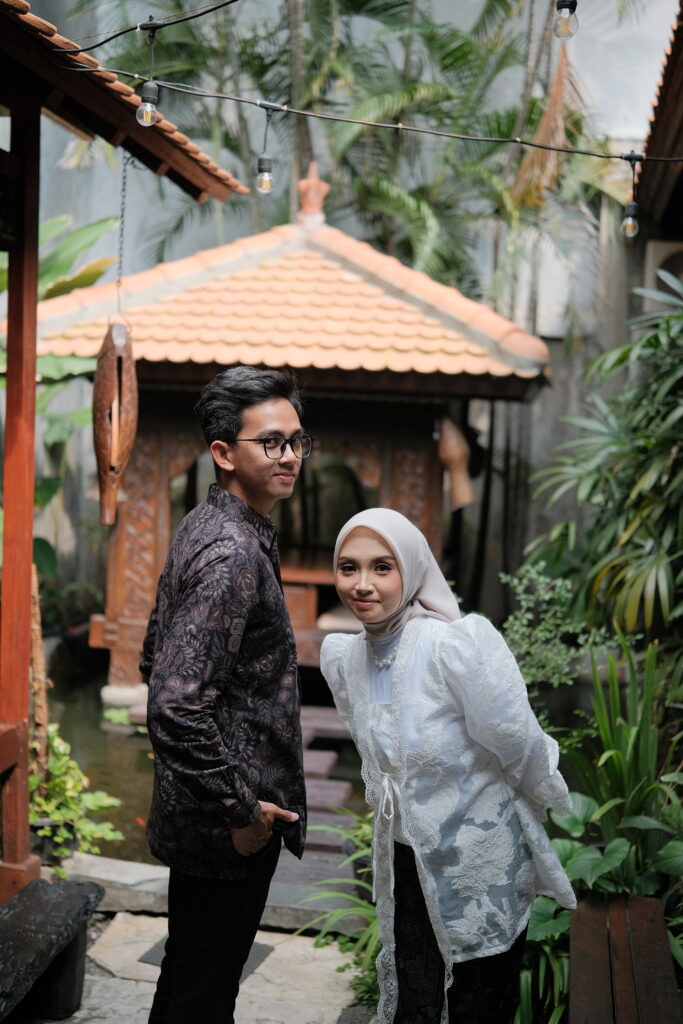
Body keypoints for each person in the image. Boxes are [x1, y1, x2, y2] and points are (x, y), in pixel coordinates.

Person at [320, 509, 576, 1024]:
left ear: (412, 570)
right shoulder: (345, 658)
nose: (362, 584)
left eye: (382, 567)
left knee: (476, 998)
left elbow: (517, 741)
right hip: (404, 856)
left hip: (477, 855)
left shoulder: (452, 646)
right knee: (415, 991)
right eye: (349, 568)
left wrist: (542, 798)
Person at [140, 365, 309, 1024]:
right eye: (270, 441)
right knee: (203, 996)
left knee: (190, 980)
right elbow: (173, 701)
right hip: (231, 824)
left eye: (295, 440)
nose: (289, 455)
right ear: (223, 452)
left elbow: (155, 653)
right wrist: (241, 810)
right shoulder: (233, 553)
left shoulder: (206, 524)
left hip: (207, 812)